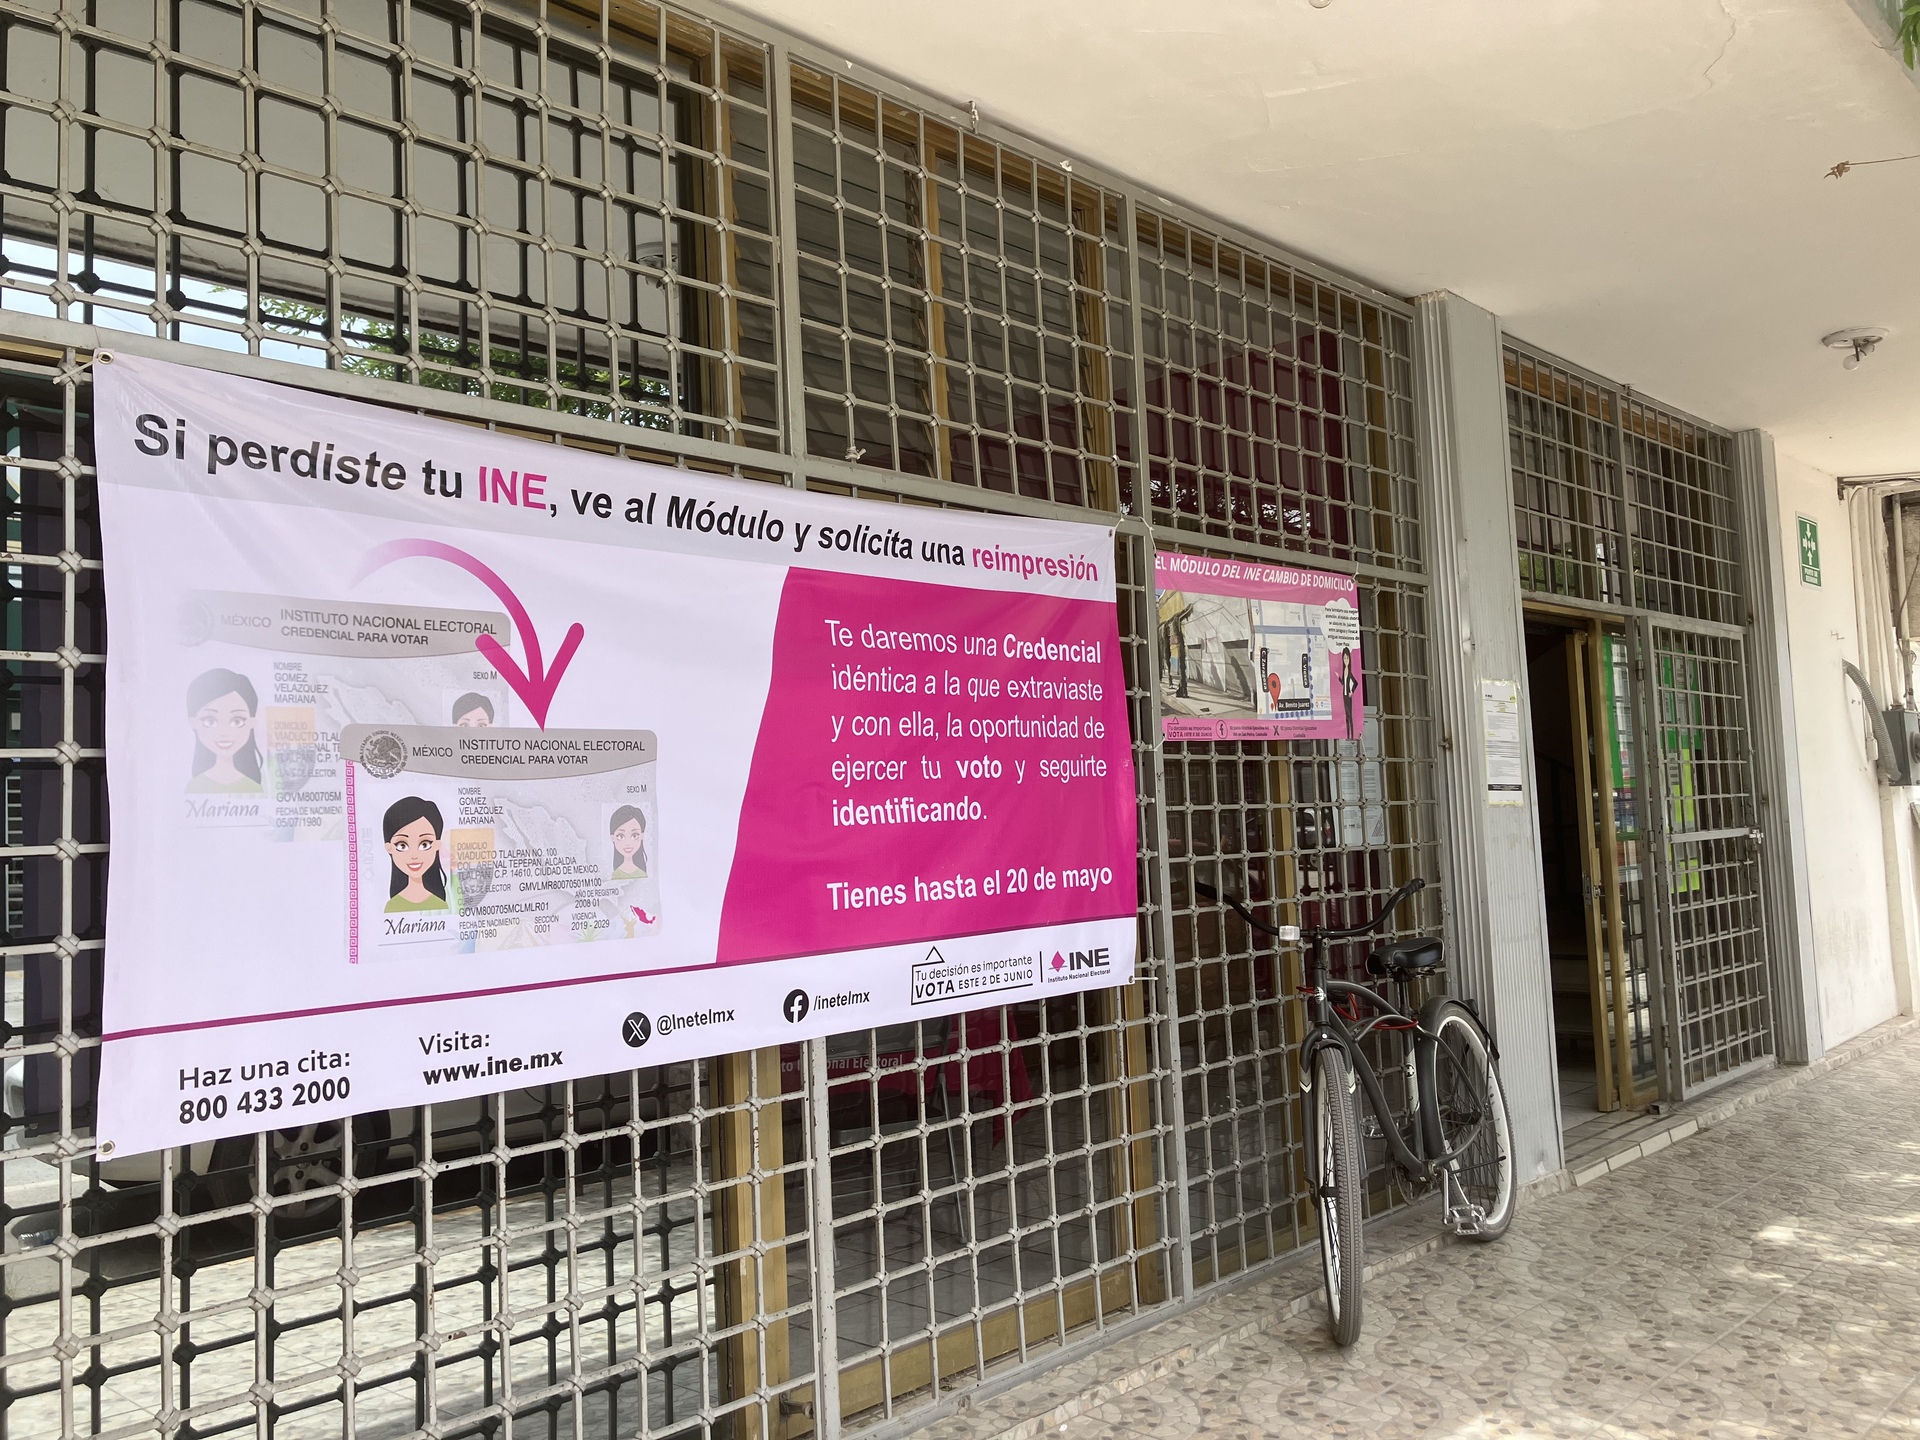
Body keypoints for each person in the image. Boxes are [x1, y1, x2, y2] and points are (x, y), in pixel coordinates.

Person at [186, 668, 264, 793]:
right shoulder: (195, 787)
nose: (224, 732)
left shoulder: (254, 788)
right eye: (210, 721)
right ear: (193, 723)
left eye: (237, 721)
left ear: (252, 722)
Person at [383, 796, 450, 912]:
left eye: (424, 844)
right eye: (402, 845)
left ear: (437, 845)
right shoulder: (392, 906)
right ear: (389, 848)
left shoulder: (440, 905)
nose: (414, 855)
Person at [609, 805, 649, 880]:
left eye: (634, 835)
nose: (628, 843)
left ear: (642, 836)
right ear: (612, 838)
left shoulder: (642, 874)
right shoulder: (616, 875)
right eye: (620, 836)